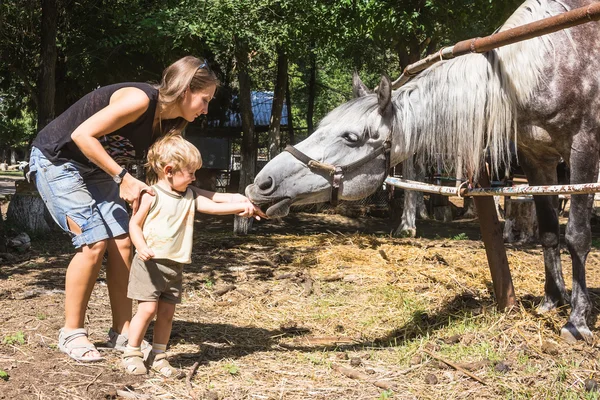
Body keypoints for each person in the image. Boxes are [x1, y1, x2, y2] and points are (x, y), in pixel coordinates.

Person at [28, 56, 259, 362]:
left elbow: (175, 187)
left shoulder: (172, 125)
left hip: (96, 168)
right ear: (186, 89)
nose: (206, 109)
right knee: (94, 242)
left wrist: (236, 201)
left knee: (124, 240)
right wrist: (122, 177)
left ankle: (122, 331)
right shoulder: (140, 100)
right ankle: (72, 333)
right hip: (57, 160)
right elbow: (81, 135)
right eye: (204, 100)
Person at [122, 135, 261, 376]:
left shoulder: (188, 195)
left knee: (166, 313)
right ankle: (132, 352)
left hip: (174, 265)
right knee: (146, 310)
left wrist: (245, 205)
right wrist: (141, 246)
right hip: (150, 264)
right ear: (169, 171)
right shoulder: (151, 195)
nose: (194, 177)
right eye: (190, 173)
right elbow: (134, 224)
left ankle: (158, 354)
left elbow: (216, 205)